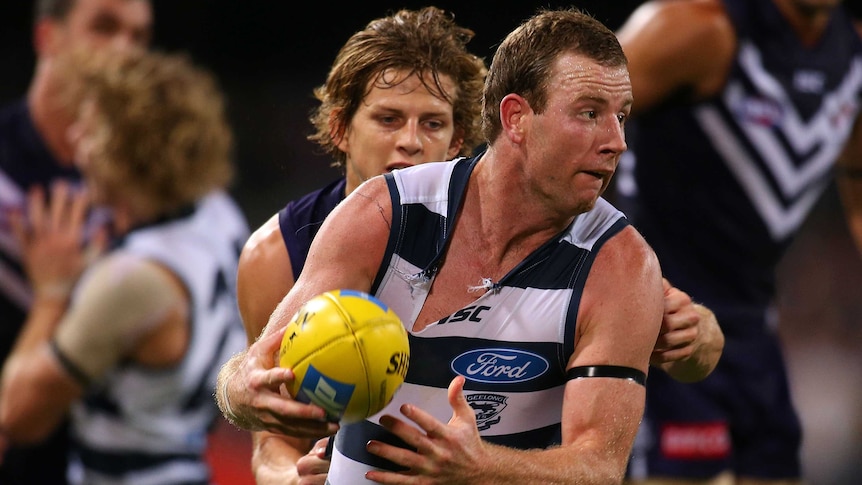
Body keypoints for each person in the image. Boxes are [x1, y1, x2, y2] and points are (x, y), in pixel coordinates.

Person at [230, 6, 724, 484]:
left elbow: (599, 468)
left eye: (622, 116)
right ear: (516, 118)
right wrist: (244, 395)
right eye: (590, 113)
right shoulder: (375, 214)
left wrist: (481, 469)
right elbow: (253, 378)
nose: (617, 140)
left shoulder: (620, 264)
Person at [613, 0, 862, 482]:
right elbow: (566, 109)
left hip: (754, 330)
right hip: (663, 324)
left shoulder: (852, 59)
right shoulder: (694, 27)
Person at [0, 48, 249, 484]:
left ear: (129, 149)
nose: (76, 139)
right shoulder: (220, 214)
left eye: (92, 129)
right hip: (190, 458)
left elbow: (17, 415)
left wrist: (52, 294)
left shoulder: (132, 279)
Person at [0, 0, 152, 482]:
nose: (124, 51)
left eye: (139, 37)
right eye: (104, 28)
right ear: (49, 36)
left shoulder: (147, 188)